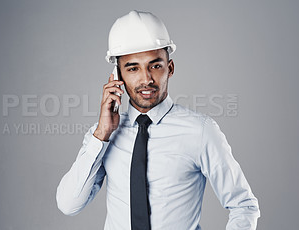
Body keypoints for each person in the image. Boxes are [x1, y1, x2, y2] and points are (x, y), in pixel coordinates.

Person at [56, 10, 260, 230]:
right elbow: (69, 204)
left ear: (169, 68)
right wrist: (102, 135)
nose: (146, 79)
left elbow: (243, 205)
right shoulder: (103, 135)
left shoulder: (200, 131)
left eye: (155, 66)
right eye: (133, 68)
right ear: (118, 76)